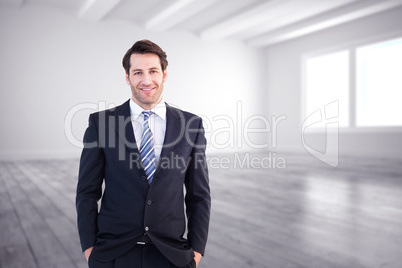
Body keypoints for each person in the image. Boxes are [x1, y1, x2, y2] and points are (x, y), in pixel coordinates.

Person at [76, 39, 211, 268]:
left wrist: (196, 253)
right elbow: (87, 191)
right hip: (112, 255)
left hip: (172, 255)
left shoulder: (191, 125)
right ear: (127, 77)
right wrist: (90, 249)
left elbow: (199, 195)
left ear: (164, 75)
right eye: (138, 72)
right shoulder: (102, 124)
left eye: (153, 71)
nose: (146, 80)